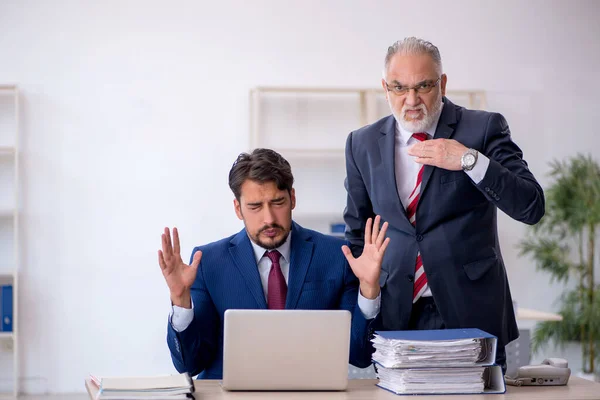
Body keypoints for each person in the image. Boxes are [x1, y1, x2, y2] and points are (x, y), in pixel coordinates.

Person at [343, 37, 545, 371]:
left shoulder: (483, 128)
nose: (411, 100)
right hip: (397, 315)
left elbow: (530, 205)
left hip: (472, 312)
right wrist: (368, 295)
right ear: (385, 87)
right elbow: (357, 235)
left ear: (443, 83)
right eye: (399, 88)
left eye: (423, 86)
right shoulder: (361, 143)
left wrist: (468, 159)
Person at [160, 148, 390, 379]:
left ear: (293, 198)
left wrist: (369, 289)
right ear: (238, 209)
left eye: (278, 202)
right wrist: (180, 299)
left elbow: (360, 356)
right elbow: (189, 364)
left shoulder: (335, 256)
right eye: (255, 207)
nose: (269, 218)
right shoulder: (209, 262)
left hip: (311, 394)